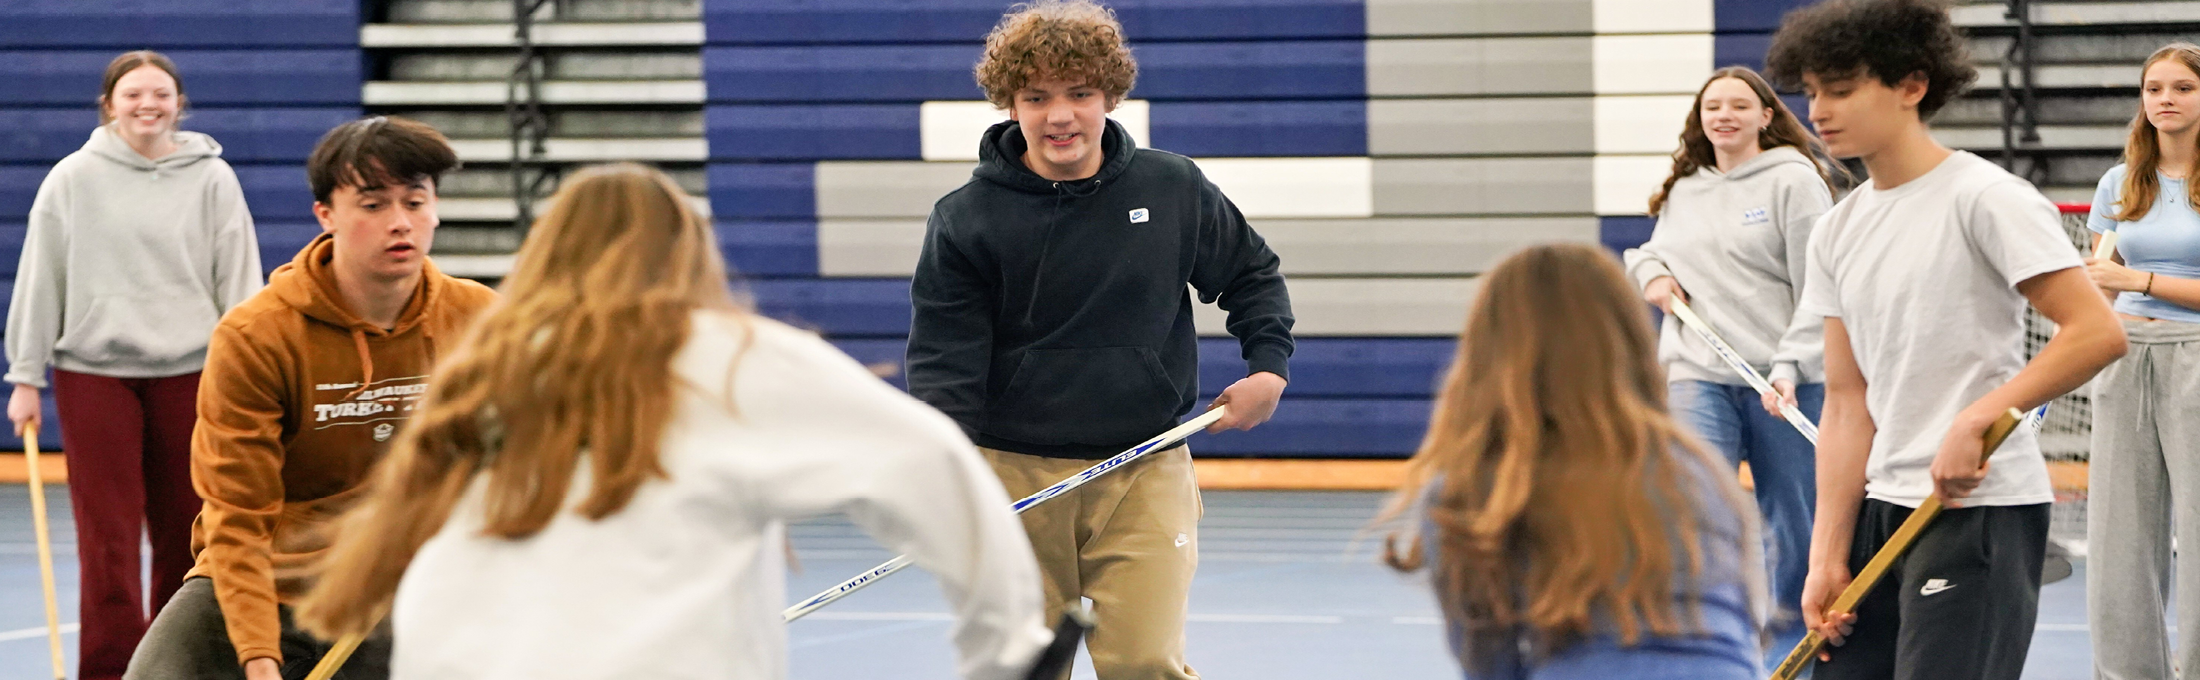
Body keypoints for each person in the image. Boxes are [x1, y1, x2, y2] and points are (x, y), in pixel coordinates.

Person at [289, 163, 1052, 679]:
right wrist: (1009, 650)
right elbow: (934, 464)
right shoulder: (728, 356)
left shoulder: (487, 362)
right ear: (689, 256)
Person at [904, 1, 1296, 677]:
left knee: (1146, 662)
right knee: (1023, 667)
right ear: (1009, 104)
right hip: (1013, 476)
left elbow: (1252, 275)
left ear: (1110, 96)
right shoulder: (966, 219)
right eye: (1037, 97)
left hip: (1145, 466)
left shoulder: (1172, 188)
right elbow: (945, 361)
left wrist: (1269, 366)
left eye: (1080, 93)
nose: (1060, 116)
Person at [1763, 1, 2128, 678]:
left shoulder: (1987, 197)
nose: (1819, 110)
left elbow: (2095, 333)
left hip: (1979, 511)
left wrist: (1982, 415)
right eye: (1812, 92)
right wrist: (1825, 556)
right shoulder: (1837, 230)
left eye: (1841, 90)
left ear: (1912, 85)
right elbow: (1846, 404)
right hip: (1883, 509)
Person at [122, 116, 492, 680]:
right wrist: (258, 657)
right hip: (268, 576)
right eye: (373, 205)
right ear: (326, 215)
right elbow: (239, 515)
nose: (401, 223)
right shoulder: (256, 336)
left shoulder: (478, 320)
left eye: (415, 202)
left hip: (401, 580)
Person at [1378, 243, 1769, 680]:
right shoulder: (1696, 470)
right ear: (1629, 344)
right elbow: (1741, 627)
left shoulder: (1479, 489)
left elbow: (1490, 664)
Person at [3, 49, 264, 680]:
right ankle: (108, 670)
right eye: (133, 95)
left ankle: (177, 668)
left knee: (187, 534)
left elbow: (240, 282)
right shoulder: (71, 179)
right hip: (94, 373)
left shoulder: (211, 178)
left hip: (190, 373)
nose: (148, 105)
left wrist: (250, 372)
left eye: (161, 94)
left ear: (179, 104)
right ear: (108, 105)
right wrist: (25, 376)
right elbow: (42, 280)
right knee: (108, 543)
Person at [1623, 65, 1837, 669]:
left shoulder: (1795, 183)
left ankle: (1791, 644)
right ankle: (1696, 633)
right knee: (1691, 508)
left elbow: (1820, 290)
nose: (1724, 115)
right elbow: (1653, 251)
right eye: (1713, 106)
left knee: (1793, 521)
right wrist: (1653, 275)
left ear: (1766, 116)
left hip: (1784, 381)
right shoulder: (1687, 186)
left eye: (1739, 105)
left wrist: (1792, 367)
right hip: (1699, 374)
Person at [2081, 42, 2200, 680]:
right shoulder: (2120, 179)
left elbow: (2133, 274)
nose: (2165, 100)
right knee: (2119, 536)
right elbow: (2104, 273)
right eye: (2154, 88)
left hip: (2196, 360)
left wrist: (2144, 279)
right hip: (2124, 358)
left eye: (2182, 87)